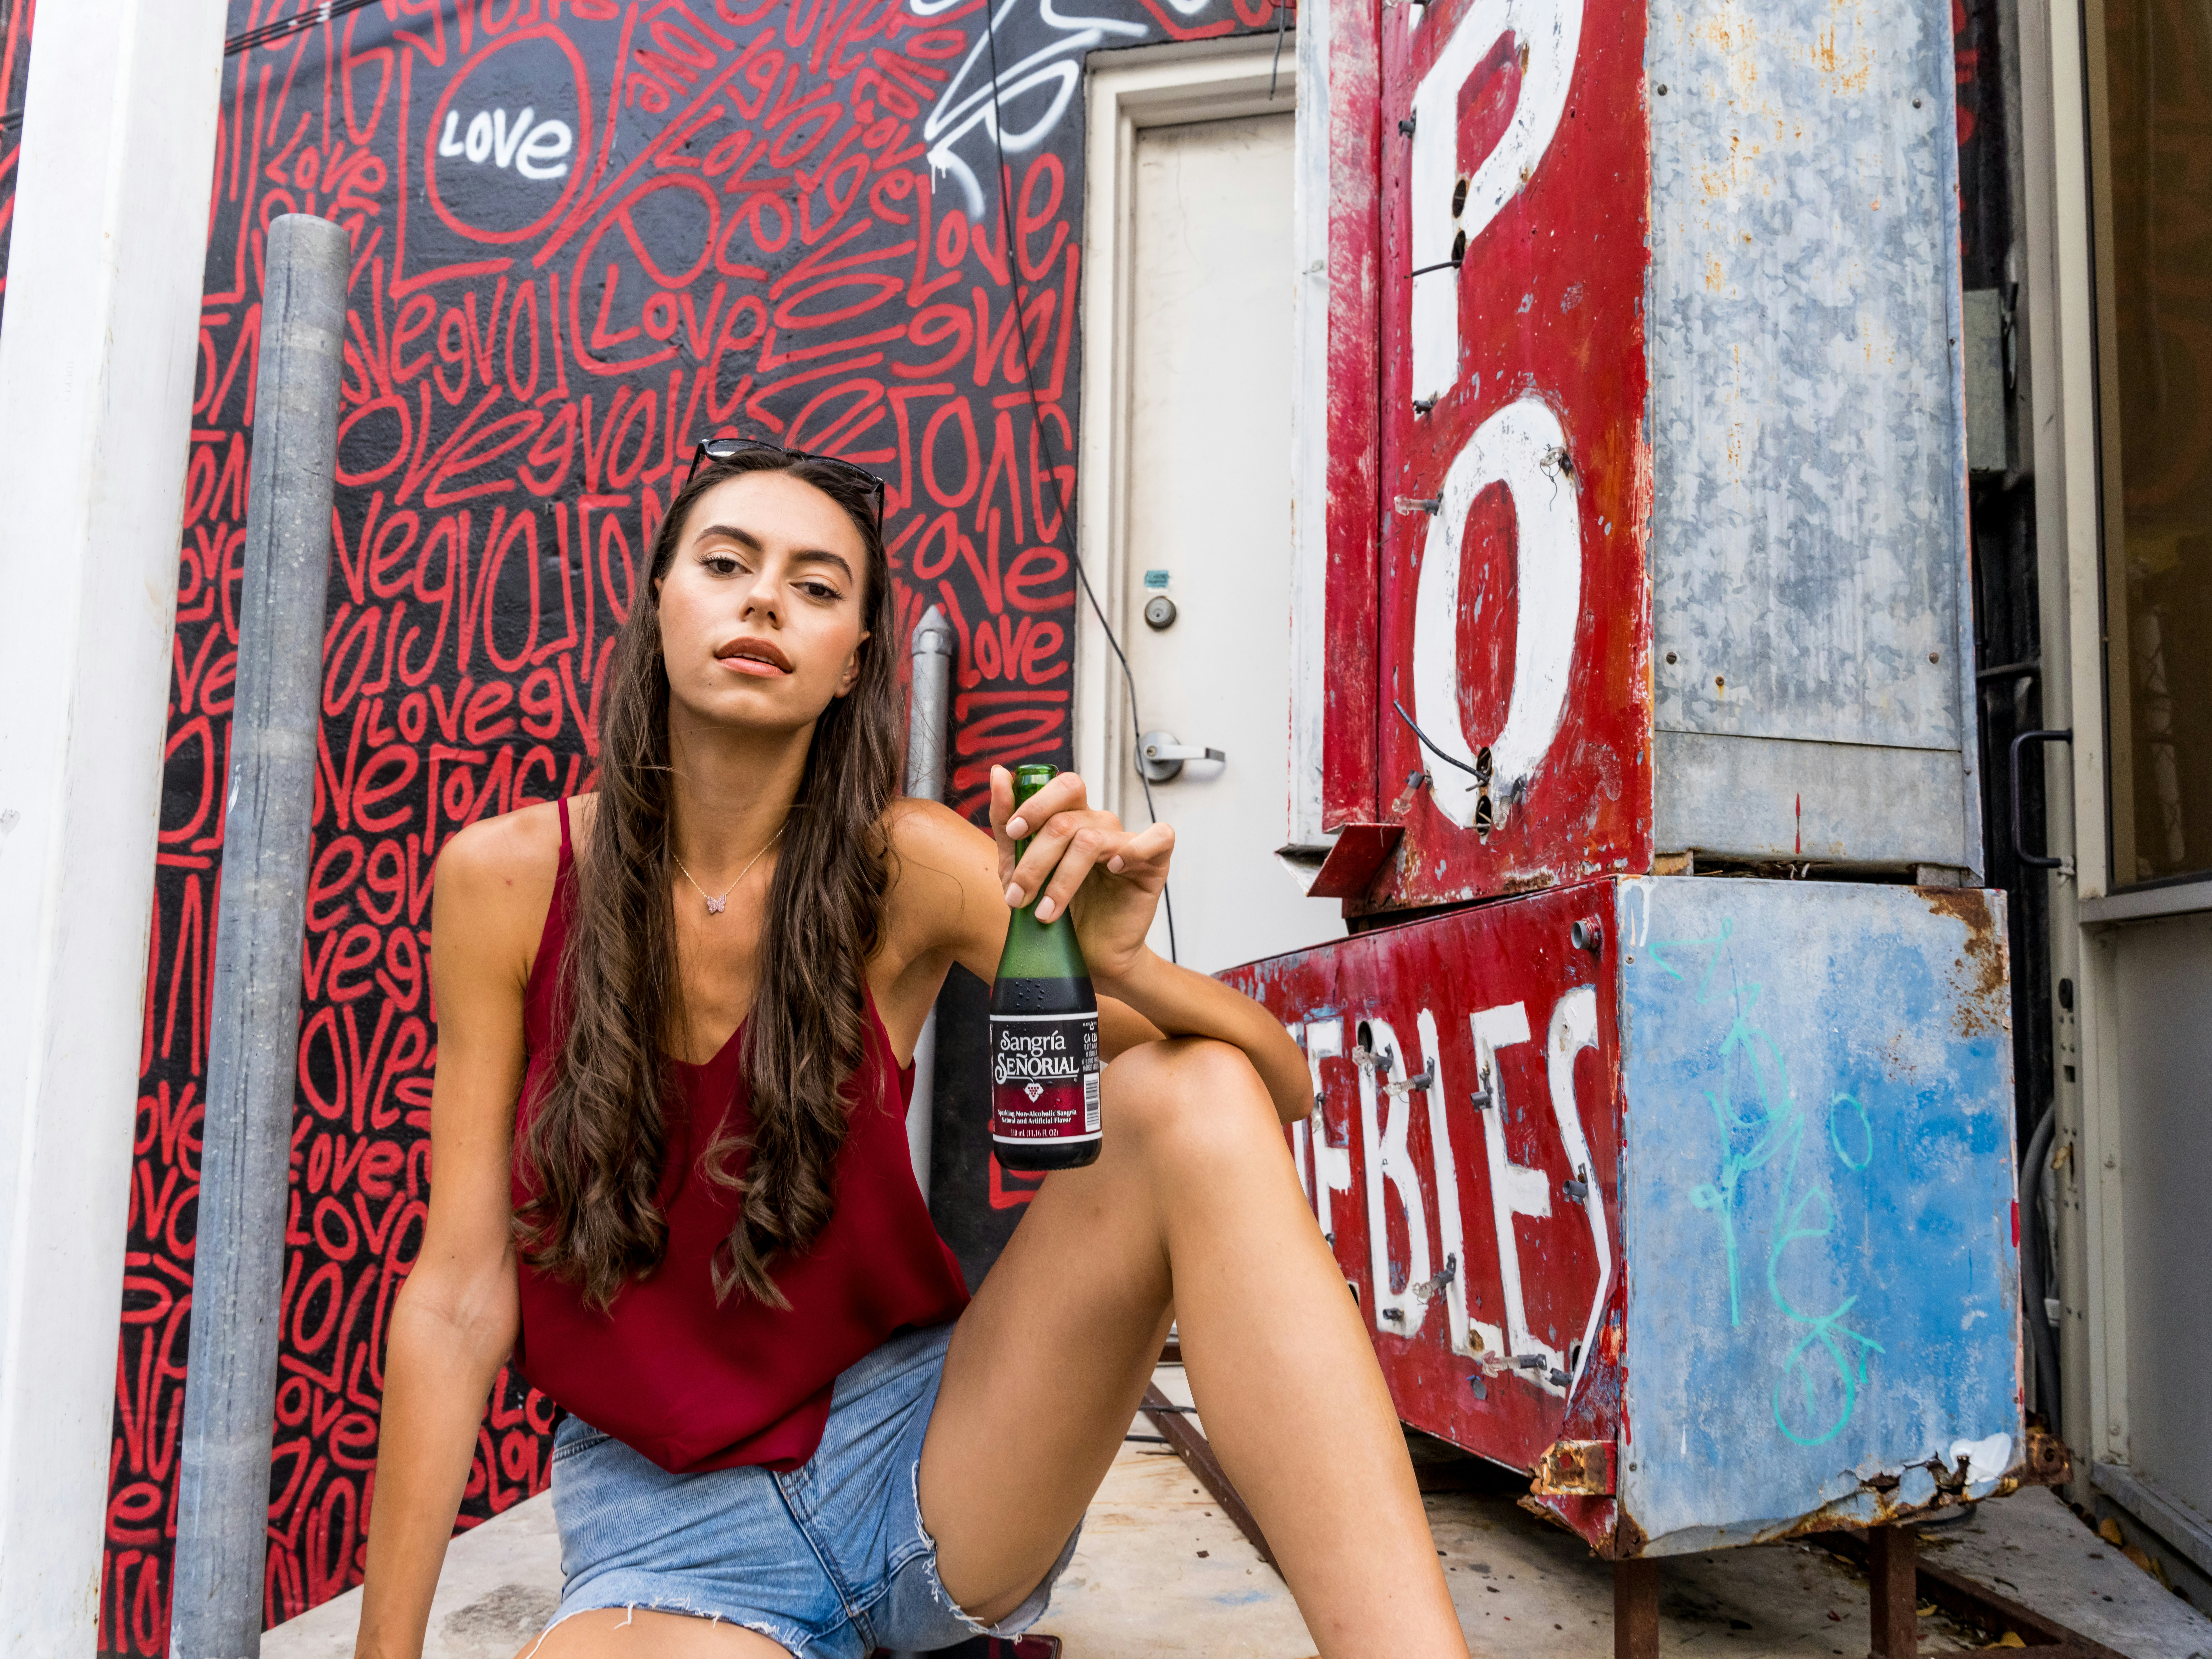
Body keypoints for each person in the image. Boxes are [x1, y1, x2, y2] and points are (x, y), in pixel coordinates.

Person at [353, 440, 1470, 1659]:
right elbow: (460, 1296)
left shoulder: (909, 865)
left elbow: (1273, 1090)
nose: (767, 600)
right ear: (660, 605)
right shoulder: (505, 884)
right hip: (669, 1544)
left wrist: (1121, 964)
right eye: (727, 564)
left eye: (819, 587)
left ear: (851, 669)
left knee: (1186, 1087)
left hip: (928, 1464)